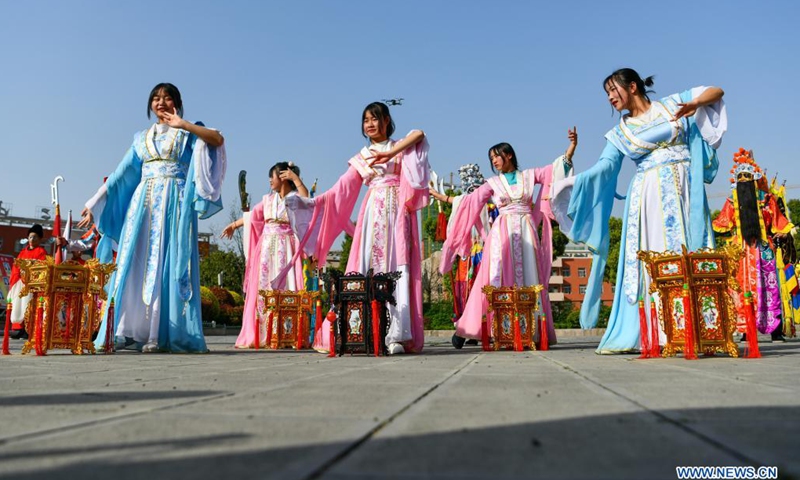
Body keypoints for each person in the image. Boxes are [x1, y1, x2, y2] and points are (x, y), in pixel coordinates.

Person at [551, 68, 726, 354]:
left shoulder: (672, 104)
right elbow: (605, 167)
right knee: (654, 256)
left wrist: (695, 105)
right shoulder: (619, 132)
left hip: (686, 189)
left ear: (632, 86)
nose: (609, 98)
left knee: (691, 251)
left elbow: (716, 91)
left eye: (612, 90)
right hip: (648, 196)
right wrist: (573, 182)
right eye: (606, 94)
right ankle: (659, 330)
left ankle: (701, 325)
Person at [78, 83, 226, 353]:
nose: (161, 102)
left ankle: (158, 333)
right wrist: (94, 202)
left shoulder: (187, 132)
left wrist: (185, 124)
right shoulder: (141, 138)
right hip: (142, 205)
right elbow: (120, 173)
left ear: (176, 103)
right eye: (156, 98)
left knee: (165, 263)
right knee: (133, 263)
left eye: (167, 98)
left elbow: (217, 140)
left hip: (175, 204)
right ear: (150, 105)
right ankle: (126, 329)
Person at [278, 101, 429, 354]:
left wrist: (390, 154)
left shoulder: (399, 148)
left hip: (397, 213)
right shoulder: (362, 157)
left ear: (387, 121)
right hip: (373, 213)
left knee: (397, 265)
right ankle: (363, 329)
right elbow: (339, 190)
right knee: (369, 265)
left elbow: (419, 134)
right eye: (366, 120)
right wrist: (311, 202)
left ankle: (396, 335)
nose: (370, 124)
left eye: (375, 119)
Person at [440, 131, 577, 347]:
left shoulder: (530, 176)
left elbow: (555, 171)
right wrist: (446, 199)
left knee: (530, 278)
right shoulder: (492, 183)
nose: (494, 161)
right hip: (501, 233)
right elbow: (469, 202)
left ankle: (530, 329)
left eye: (496, 156)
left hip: (526, 231)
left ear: (509, 155)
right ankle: (469, 329)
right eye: (491, 158)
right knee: (491, 277)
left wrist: (571, 148)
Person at [222, 162, 309, 349]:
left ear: (284, 177)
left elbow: (307, 199)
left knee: (287, 286)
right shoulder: (268, 200)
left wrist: (296, 178)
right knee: (264, 286)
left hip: (287, 247)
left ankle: (287, 331)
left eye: (273, 176)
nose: (270, 180)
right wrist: (234, 225)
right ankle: (264, 333)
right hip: (267, 249)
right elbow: (252, 216)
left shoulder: (294, 198)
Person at [712, 149, 793, 341]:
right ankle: (746, 329)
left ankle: (775, 328)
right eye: (740, 180)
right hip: (741, 252)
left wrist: (781, 231)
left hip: (763, 250)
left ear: (754, 180)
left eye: (747, 179)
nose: (743, 183)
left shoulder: (766, 200)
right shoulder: (731, 202)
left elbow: (780, 223)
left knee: (769, 290)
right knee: (741, 289)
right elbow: (721, 224)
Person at [430, 164, 494, 348]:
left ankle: (484, 328)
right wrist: (436, 194)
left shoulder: (489, 205)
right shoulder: (464, 201)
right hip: (466, 255)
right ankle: (465, 328)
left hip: (483, 253)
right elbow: (450, 199)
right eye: (469, 190)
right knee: (463, 291)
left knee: (483, 291)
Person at [7, 224, 48, 339]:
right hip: (20, 282)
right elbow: (16, 267)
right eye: (30, 237)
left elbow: (41, 268)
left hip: (32, 284)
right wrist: (16, 280)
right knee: (17, 304)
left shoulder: (41, 252)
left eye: (35, 237)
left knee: (28, 305)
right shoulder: (22, 252)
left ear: (39, 239)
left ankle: (28, 329)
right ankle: (17, 328)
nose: (32, 240)